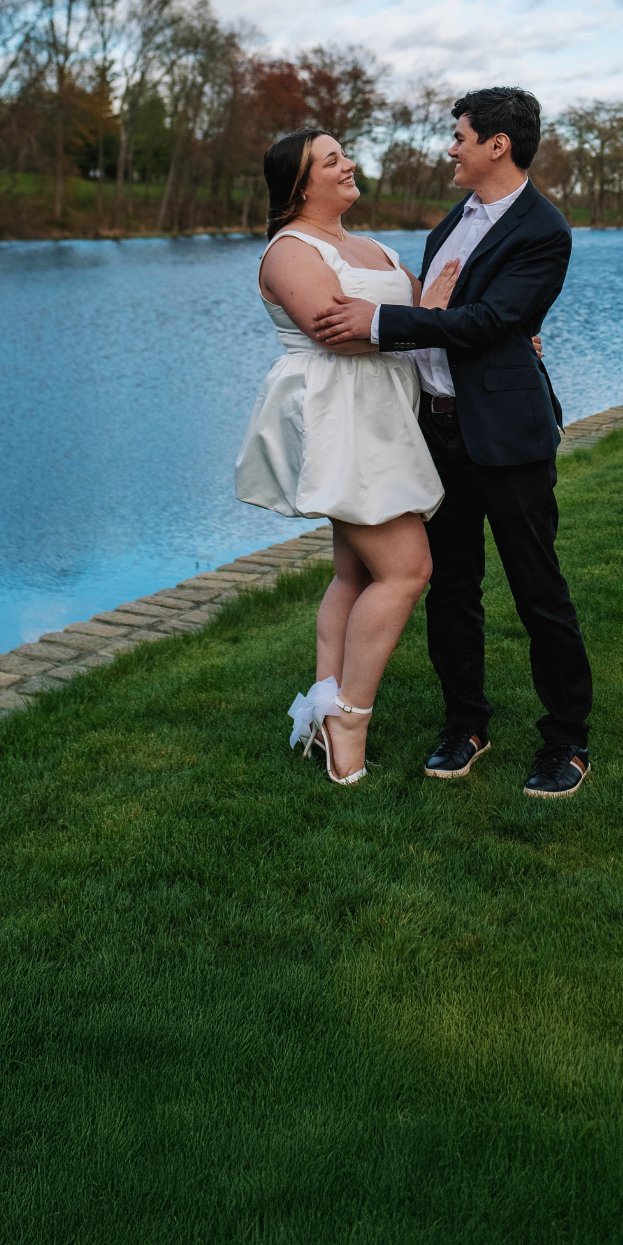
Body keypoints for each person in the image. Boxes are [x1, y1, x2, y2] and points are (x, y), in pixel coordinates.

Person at [311, 87, 593, 800]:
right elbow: (442, 313)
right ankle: (466, 725)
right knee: (452, 588)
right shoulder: (452, 223)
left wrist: (380, 323)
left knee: (537, 590)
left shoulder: (544, 230)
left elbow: (489, 322)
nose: (451, 148)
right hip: (437, 432)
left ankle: (567, 740)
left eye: (460, 136)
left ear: (499, 144)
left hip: (507, 436)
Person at [235, 127, 459, 785]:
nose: (348, 164)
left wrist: (478, 325)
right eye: (332, 160)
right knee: (407, 569)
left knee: (354, 574)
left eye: (344, 154)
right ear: (301, 183)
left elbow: (429, 316)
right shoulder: (290, 250)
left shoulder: (375, 248)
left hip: (383, 413)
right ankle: (349, 721)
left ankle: (322, 712)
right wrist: (425, 315)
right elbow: (336, 333)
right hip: (340, 418)